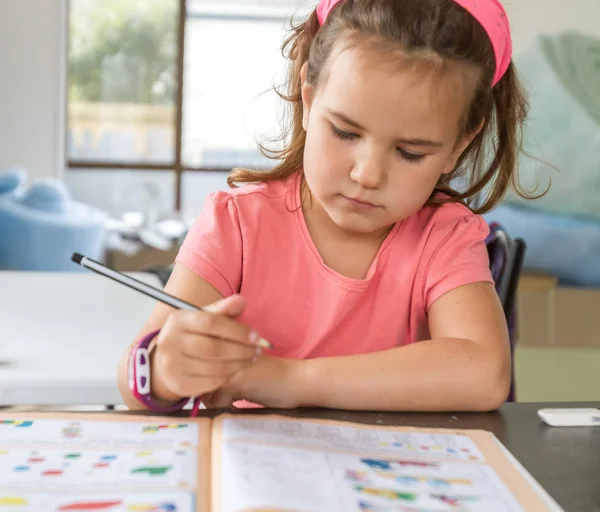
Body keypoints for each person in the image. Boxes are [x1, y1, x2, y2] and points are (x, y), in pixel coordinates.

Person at [118, 0, 531, 414]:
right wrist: (163, 370)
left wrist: (289, 380)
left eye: (409, 153)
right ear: (309, 100)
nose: (368, 175)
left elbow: (485, 373)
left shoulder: (445, 238)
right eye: (345, 132)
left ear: (458, 146)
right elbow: (134, 381)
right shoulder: (236, 223)